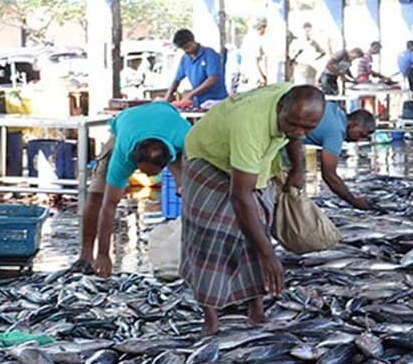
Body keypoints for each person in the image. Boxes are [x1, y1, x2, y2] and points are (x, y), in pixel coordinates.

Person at [180, 83, 324, 334]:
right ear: (280, 108)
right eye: (293, 124)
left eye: (308, 128)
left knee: (258, 229)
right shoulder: (250, 125)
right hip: (209, 157)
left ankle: (256, 311)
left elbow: (295, 135)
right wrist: (269, 255)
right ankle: (211, 319)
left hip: (254, 163)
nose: (300, 132)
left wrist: (299, 168)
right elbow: (240, 197)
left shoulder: (293, 100)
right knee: (211, 238)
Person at [76, 102, 190, 275]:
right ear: (134, 161)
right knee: (97, 194)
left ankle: (193, 255)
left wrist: (183, 185)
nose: (148, 178)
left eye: (152, 174)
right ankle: (85, 256)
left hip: (167, 122)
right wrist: (103, 254)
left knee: (192, 192)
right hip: (127, 124)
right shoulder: (123, 153)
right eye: (143, 171)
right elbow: (109, 206)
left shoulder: (185, 137)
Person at [303, 104, 376, 209]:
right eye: (361, 134)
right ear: (354, 124)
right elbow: (329, 176)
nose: (359, 140)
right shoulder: (336, 133)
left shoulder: (334, 110)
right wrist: (354, 202)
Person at [163, 29, 229, 106]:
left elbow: (212, 79)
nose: (186, 51)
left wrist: (191, 94)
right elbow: (176, 80)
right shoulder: (185, 59)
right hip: (198, 102)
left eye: (187, 47)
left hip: (216, 101)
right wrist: (166, 99)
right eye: (183, 49)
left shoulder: (209, 54)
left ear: (193, 41)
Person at [288, 22, 326, 86]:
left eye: (309, 31)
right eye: (306, 31)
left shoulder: (314, 43)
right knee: (300, 85)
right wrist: (294, 61)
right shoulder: (297, 42)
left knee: (309, 86)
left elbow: (323, 52)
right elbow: (291, 53)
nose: (308, 33)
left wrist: (315, 59)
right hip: (300, 68)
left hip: (311, 69)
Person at [238, 18, 269, 91]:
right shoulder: (254, 40)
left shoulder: (251, 38)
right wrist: (261, 78)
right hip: (254, 77)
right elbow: (253, 61)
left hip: (251, 76)